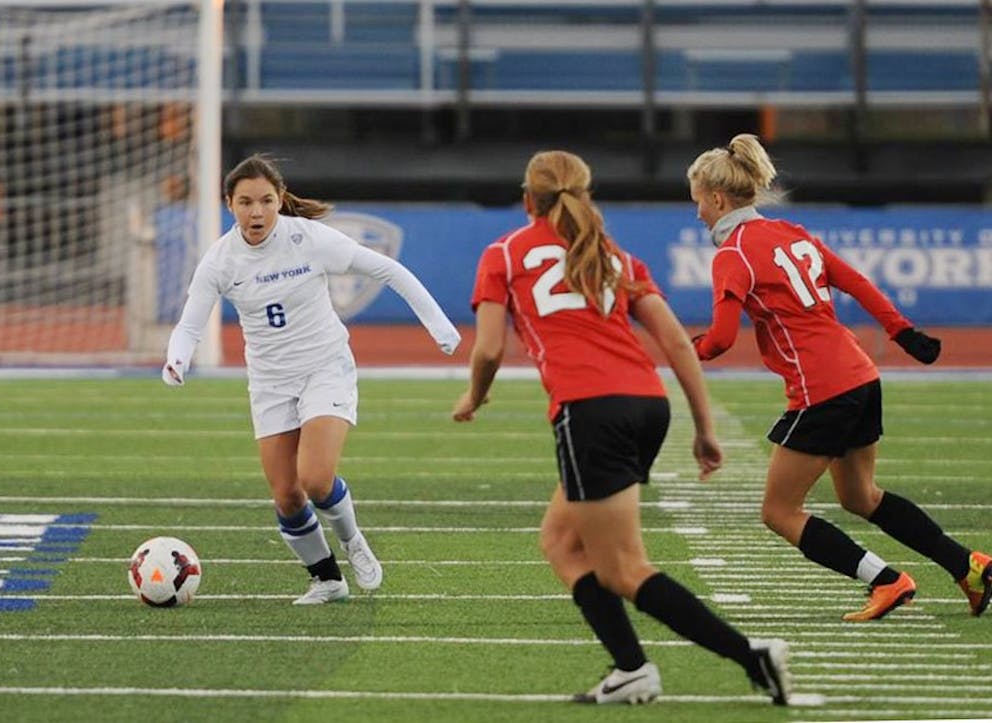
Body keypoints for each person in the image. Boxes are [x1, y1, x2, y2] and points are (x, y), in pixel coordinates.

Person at [452, 150, 791, 705]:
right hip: (646, 406)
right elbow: (677, 342)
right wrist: (704, 427)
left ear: (526, 199)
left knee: (622, 568)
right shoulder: (612, 254)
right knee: (562, 542)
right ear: (584, 195)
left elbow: (489, 346)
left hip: (591, 411)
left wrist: (474, 396)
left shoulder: (504, 253)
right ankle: (632, 670)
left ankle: (750, 656)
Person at [688, 133, 992, 622]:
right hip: (860, 376)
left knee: (778, 512)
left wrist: (686, 349)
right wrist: (901, 331)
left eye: (698, 202)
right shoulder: (792, 233)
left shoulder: (734, 253)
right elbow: (856, 281)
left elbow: (721, 339)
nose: (698, 213)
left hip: (822, 389)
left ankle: (887, 580)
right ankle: (969, 566)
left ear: (718, 199)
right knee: (860, 496)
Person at [163, 154, 461, 605]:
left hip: (325, 367)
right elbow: (190, 323)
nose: (257, 211)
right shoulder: (220, 260)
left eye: (265, 200)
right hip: (269, 381)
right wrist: (177, 359)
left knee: (316, 480)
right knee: (286, 496)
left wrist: (439, 326)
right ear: (229, 205)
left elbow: (388, 269)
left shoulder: (310, 239)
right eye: (245, 202)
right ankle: (327, 580)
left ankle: (353, 539)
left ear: (280, 199)